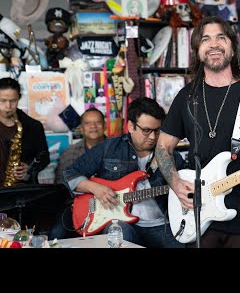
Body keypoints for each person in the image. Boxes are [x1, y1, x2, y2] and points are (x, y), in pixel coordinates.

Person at [155, 15, 240, 248]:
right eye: (206, 39)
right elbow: (162, 147)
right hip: (199, 213)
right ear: (197, 50)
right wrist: (175, 182)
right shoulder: (187, 97)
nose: (214, 44)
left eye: (221, 37)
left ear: (232, 47)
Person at [63, 97, 185, 248]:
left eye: (157, 130)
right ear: (130, 126)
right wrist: (96, 189)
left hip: (161, 224)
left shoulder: (170, 155)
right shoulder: (109, 148)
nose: (153, 137)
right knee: (122, 235)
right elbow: (69, 174)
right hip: (118, 223)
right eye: (146, 130)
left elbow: (186, 185)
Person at [48, 108, 106, 240]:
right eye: (87, 123)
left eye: (97, 122)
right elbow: (60, 184)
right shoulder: (70, 153)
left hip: (108, 202)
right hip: (75, 205)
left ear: (104, 125)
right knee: (56, 234)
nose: (93, 126)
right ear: (81, 128)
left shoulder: (116, 149)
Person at [0, 77, 49, 185]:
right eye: (2, 100)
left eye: (13, 101)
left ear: (19, 98)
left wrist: (30, 167)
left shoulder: (33, 126)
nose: (8, 106)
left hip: (21, 191)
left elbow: (45, 157)